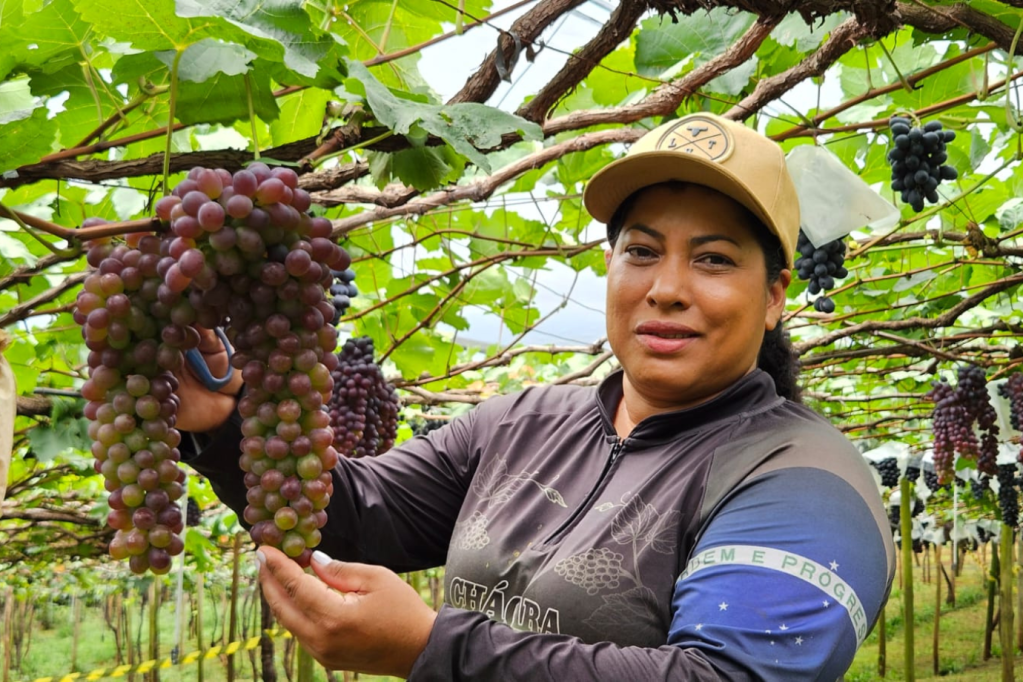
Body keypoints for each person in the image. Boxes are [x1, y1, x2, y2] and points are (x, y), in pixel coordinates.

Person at [176, 112, 895, 681]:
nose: (666, 288)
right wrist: (226, 426)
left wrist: (430, 648)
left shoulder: (804, 483)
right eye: (641, 252)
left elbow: (723, 677)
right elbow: (359, 519)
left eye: (712, 259)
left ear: (773, 297)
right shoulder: (522, 421)